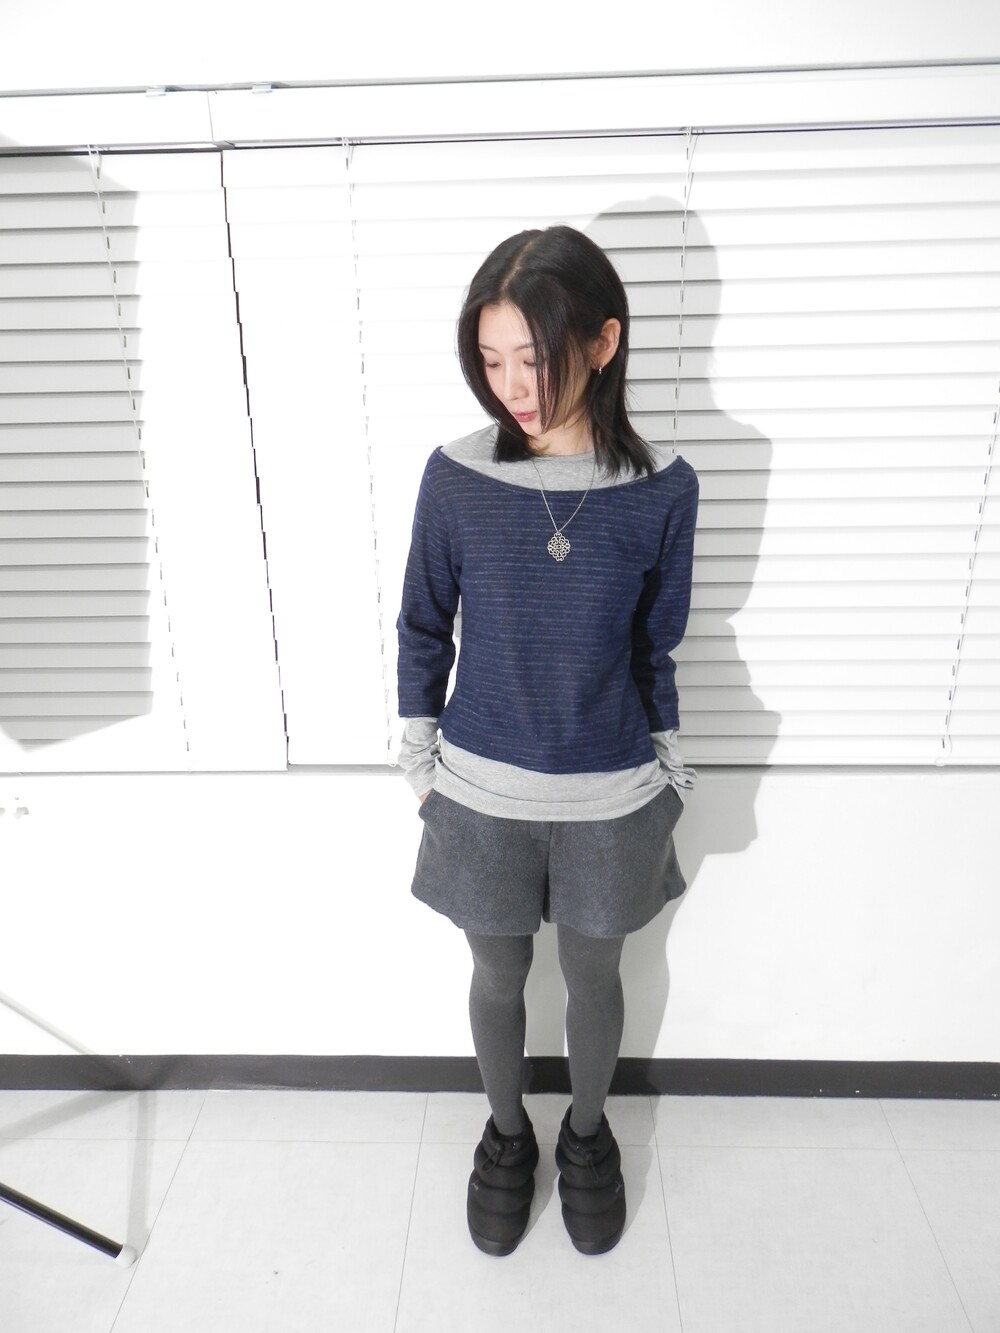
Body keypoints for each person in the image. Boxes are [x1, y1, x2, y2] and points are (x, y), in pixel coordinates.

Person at [396, 224, 699, 1258]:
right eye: (491, 360)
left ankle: (585, 1136)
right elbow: (423, 626)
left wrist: (668, 768)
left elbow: (658, 644)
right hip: (478, 794)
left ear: (604, 341)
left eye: (534, 356)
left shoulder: (664, 489)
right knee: (496, 977)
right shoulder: (455, 477)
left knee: (596, 978)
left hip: (613, 799)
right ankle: (506, 1135)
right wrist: (419, 765)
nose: (513, 387)